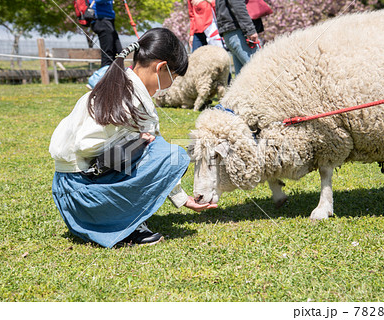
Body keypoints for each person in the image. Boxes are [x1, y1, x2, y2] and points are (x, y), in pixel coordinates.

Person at [50, 28, 217, 248]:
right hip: (83, 196)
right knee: (171, 153)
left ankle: (119, 216)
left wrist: (181, 199)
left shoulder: (116, 86)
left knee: (158, 150)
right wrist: (134, 141)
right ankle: (121, 223)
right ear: (161, 68)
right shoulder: (128, 99)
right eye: (173, 77)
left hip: (70, 192)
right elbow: (83, 144)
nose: (172, 84)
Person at [215, 0, 261, 75]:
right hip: (238, 33)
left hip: (232, 33)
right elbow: (237, 3)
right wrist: (250, 30)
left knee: (243, 79)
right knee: (259, 72)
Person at [91, 0, 123, 68]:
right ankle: (105, 75)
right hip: (101, 20)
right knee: (108, 54)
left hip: (109, 20)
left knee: (118, 52)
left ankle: (116, 74)